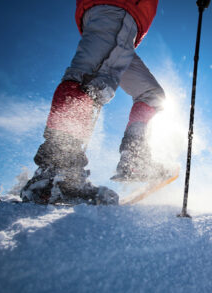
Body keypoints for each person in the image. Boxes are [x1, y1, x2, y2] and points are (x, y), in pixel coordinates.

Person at [20, 0, 170, 205]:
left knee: (151, 95)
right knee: (88, 81)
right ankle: (57, 171)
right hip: (116, 9)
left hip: (127, 24)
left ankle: (134, 159)